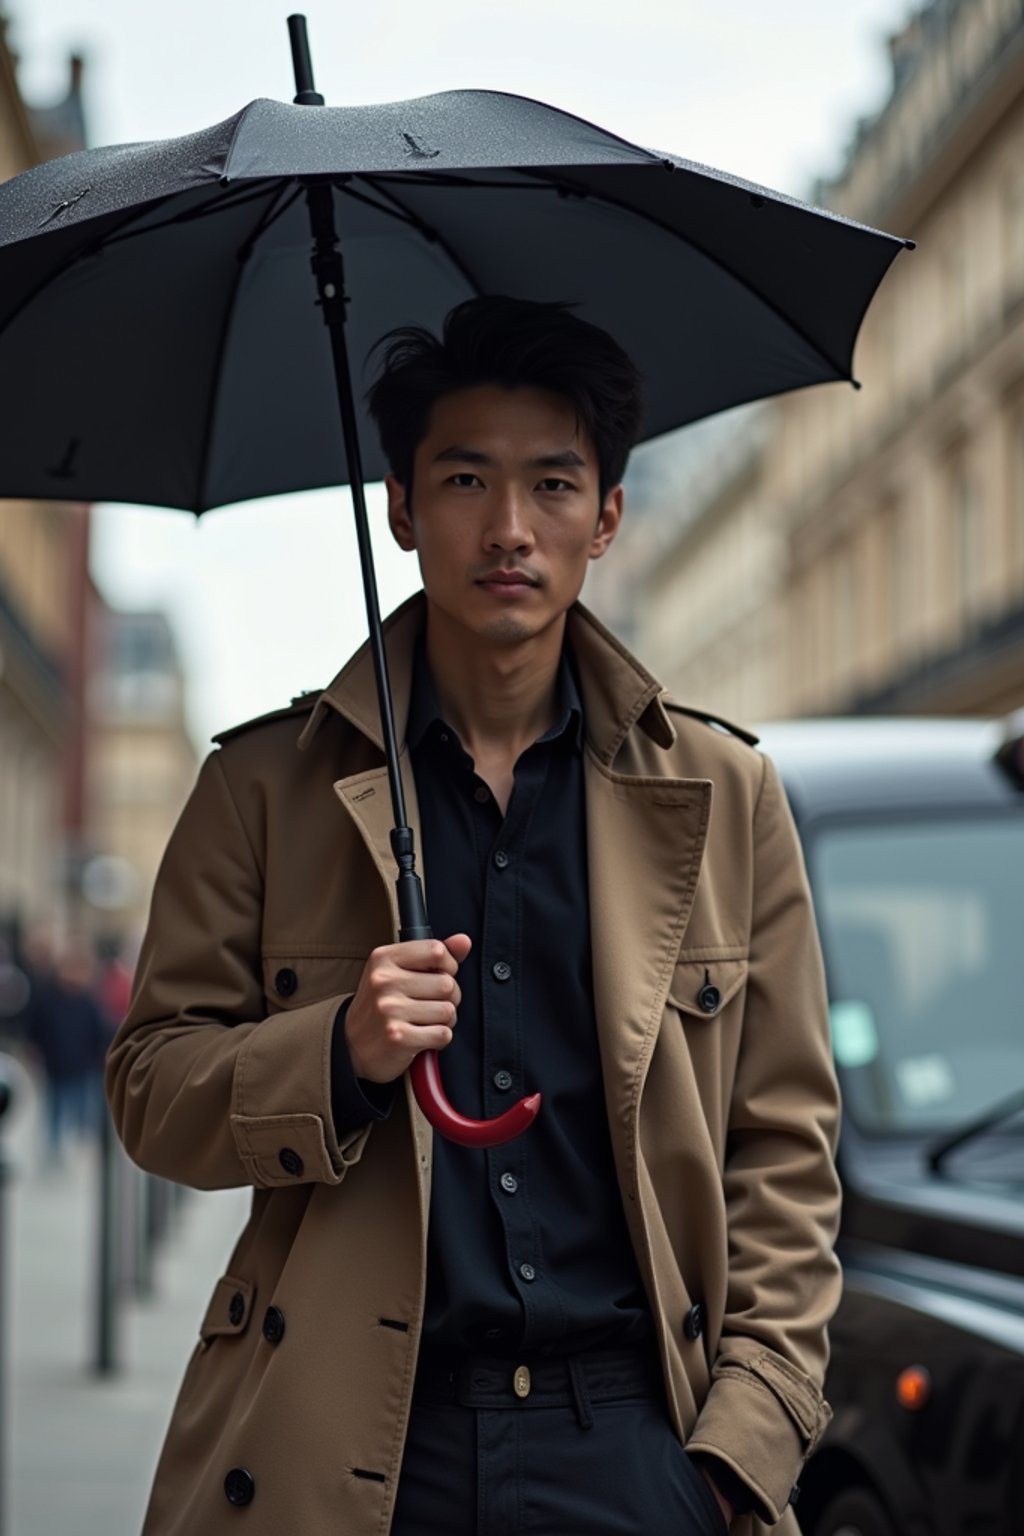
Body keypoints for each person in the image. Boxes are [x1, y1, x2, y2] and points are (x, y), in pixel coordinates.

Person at [106, 297, 841, 1536]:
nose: (509, 528)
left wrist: (734, 1453)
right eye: (464, 478)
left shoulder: (723, 794)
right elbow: (149, 1092)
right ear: (399, 507)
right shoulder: (260, 789)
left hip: (637, 1442)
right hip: (354, 1447)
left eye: (553, 484)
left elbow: (784, 1152)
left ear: (607, 518)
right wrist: (336, 1053)